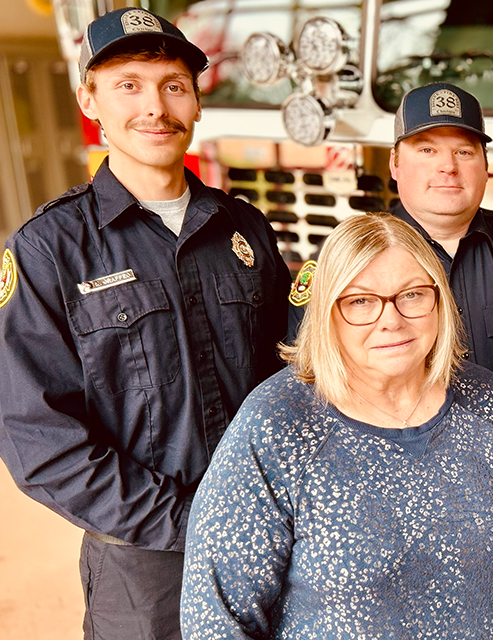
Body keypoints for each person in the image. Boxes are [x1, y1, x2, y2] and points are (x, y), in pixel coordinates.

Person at [0, 8, 291, 640]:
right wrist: (194, 520)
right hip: (145, 568)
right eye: (128, 84)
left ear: (195, 102)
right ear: (89, 99)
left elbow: (291, 375)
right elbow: (39, 439)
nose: (154, 106)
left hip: (273, 541)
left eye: (173, 85)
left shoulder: (245, 230)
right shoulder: (48, 251)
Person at [180, 213, 493, 639]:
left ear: (440, 300)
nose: (391, 320)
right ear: (328, 311)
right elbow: (216, 619)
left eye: (412, 294)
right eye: (360, 301)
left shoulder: (487, 401)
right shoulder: (276, 423)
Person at [290, 82, 493, 384]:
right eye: (427, 149)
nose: (447, 166)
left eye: (464, 151)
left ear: (485, 165)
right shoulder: (344, 257)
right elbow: (308, 376)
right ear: (394, 163)